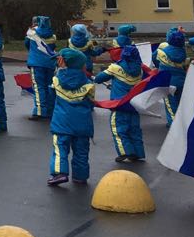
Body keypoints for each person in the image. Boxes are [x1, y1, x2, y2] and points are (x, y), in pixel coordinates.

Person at [47, 48, 96, 186]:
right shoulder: (88, 84)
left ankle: (59, 173)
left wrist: (61, 70)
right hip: (82, 125)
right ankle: (80, 176)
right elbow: (91, 101)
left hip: (61, 124)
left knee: (60, 148)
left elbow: (51, 96)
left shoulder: (56, 80)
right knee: (81, 151)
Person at [95, 44, 145, 163]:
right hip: (133, 104)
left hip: (119, 104)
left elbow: (98, 79)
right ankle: (138, 152)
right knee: (134, 129)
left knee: (118, 128)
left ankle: (125, 152)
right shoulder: (140, 70)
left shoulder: (115, 68)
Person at [24, 16, 58, 122]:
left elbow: (27, 45)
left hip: (36, 63)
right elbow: (52, 48)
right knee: (49, 87)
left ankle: (39, 111)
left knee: (39, 87)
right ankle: (50, 110)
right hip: (50, 64)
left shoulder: (31, 33)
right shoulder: (52, 35)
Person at [155, 28, 190, 124]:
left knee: (170, 105)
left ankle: (174, 126)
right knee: (179, 104)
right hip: (181, 82)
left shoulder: (162, 51)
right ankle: (182, 123)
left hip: (167, 83)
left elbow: (155, 60)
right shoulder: (183, 52)